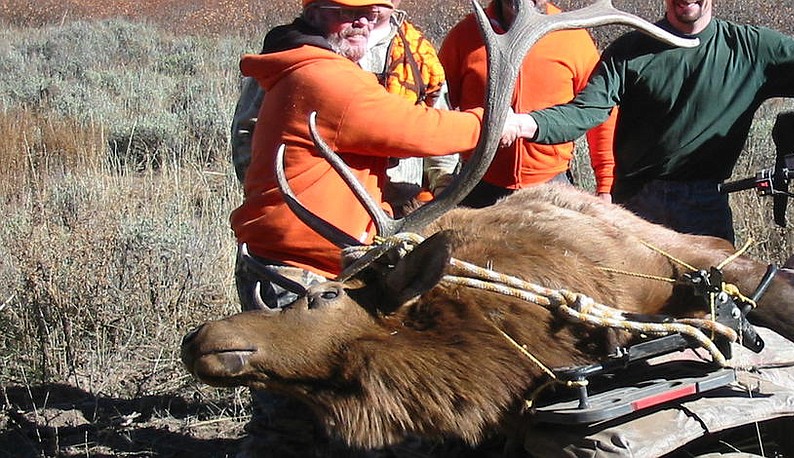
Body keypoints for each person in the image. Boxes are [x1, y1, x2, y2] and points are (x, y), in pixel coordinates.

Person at [228, 0, 502, 455]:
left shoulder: (329, 61)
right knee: (291, 411)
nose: (360, 22)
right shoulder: (321, 75)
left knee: (324, 401)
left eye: (373, 13)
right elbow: (418, 129)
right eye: (344, 11)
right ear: (315, 13)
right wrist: (493, 121)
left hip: (323, 259)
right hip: (296, 268)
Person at [510, 0, 794, 242]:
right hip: (635, 205)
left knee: (715, 311)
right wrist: (524, 125)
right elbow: (584, 113)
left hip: (704, 202)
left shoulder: (749, 49)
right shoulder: (630, 51)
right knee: (632, 321)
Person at [229, 0, 458, 215]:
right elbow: (247, 132)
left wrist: (440, 190)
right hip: (316, 215)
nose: (363, 21)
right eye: (352, 12)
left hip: (402, 213)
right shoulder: (294, 52)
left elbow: (439, 137)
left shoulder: (420, 57)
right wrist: (276, 200)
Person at [438, 0, 618, 207]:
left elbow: (601, 113)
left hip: (551, 187)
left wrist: (605, 185)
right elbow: (438, 111)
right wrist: (437, 178)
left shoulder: (573, 37)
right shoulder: (465, 35)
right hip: (477, 185)